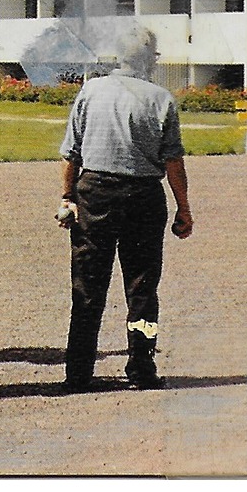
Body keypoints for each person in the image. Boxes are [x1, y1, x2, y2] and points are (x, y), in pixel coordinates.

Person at [58, 27, 193, 392]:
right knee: (143, 288)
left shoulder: (91, 90)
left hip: (95, 193)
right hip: (143, 196)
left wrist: (66, 196)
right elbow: (173, 160)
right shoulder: (161, 99)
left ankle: (79, 370)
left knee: (87, 286)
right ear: (150, 59)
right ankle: (141, 366)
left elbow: (72, 152)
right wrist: (184, 208)